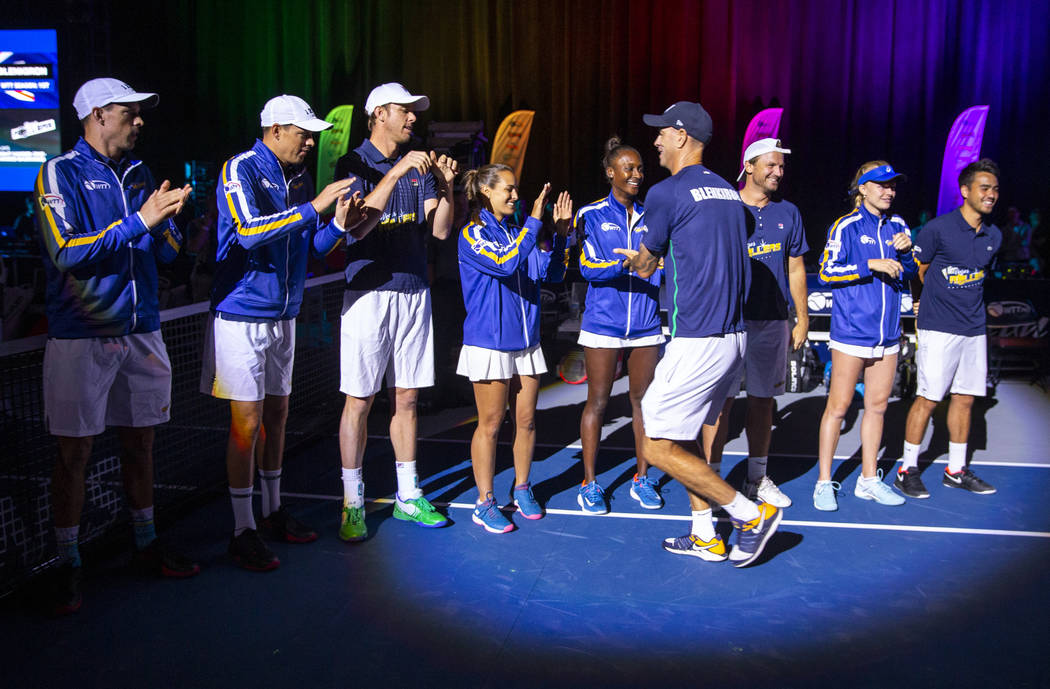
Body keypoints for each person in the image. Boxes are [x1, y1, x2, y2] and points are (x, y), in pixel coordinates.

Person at [34, 77, 197, 613]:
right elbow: (65, 252)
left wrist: (169, 222)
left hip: (143, 329)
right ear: (100, 114)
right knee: (74, 453)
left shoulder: (139, 173)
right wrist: (139, 221)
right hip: (82, 337)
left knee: (142, 444)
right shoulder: (59, 171)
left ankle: (146, 545)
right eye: (131, 113)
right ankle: (66, 564)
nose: (140, 122)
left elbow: (164, 253)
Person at [203, 94, 364, 571]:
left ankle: (272, 511)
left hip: (283, 315)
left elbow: (310, 244)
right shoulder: (241, 169)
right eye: (303, 133)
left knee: (278, 416)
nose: (311, 141)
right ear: (275, 129)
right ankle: (241, 528)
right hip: (240, 316)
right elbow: (249, 231)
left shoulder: (299, 177)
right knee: (246, 423)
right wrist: (316, 206)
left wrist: (336, 224)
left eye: (312, 134)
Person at [617, 101, 782, 567]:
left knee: (653, 440)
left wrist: (639, 259)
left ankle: (748, 514)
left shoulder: (665, 193)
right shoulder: (730, 195)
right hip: (732, 336)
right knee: (683, 433)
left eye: (661, 133)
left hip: (698, 335)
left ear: (682, 136)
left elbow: (648, 261)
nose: (655, 142)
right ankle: (705, 533)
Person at [328, 83, 459, 541]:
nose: (413, 120)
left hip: (412, 291)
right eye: (405, 111)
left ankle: (408, 495)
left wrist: (443, 185)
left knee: (405, 398)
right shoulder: (353, 165)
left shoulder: (420, 165)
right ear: (379, 113)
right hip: (367, 293)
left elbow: (440, 229)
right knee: (360, 401)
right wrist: (398, 170)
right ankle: (353, 503)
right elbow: (358, 229)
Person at [456, 164, 571, 533]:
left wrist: (561, 235)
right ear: (486, 191)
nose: (515, 196)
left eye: (517, 189)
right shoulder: (472, 234)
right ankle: (484, 501)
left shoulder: (518, 232)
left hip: (526, 342)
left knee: (526, 420)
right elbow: (506, 265)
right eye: (508, 189)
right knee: (490, 424)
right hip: (489, 343)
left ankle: (522, 487)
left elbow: (550, 274)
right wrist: (535, 222)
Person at [814, 161, 917, 511]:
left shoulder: (900, 225)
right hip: (851, 334)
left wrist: (907, 254)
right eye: (881, 185)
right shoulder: (846, 226)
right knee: (838, 408)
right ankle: (824, 481)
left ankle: (869, 480)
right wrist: (869, 264)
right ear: (863, 189)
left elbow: (911, 275)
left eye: (892, 186)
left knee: (877, 407)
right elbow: (827, 272)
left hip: (888, 336)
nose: (888, 191)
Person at [895, 159, 1002, 497]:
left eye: (995, 189)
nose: (991, 194)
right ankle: (906, 469)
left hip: (974, 328)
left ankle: (956, 469)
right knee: (927, 398)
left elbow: (984, 277)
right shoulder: (937, 229)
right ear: (965, 191)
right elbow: (918, 270)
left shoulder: (994, 235)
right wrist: (921, 301)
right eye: (984, 188)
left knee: (966, 399)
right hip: (939, 327)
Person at [574, 137, 663, 514]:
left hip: (645, 323)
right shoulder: (590, 214)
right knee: (598, 401)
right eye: (629, 168)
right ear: (610, 172)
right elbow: (585, 266)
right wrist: (627, 264)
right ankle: (589, 483)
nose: (637, 174)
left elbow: (664, 266)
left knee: (644, 403)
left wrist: (654, 268)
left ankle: (641, 478)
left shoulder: (654, 216)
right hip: (603, 324)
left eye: (640, 168)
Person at [722, 138, 809, 507]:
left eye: (782, 166)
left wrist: (801, 317)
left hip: (772, 321)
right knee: (720, 404)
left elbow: (795, 266)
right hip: (727, 322)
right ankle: (712, 480)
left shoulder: (788, 212)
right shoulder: (724, 208)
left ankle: (756, 478)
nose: (778, 172)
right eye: (771, 165)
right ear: (750, 167)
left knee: (762, 403)